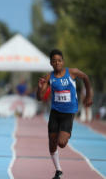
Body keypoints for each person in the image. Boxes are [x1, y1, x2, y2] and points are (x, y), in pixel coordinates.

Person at [36, 49, 93, 179]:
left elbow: (85, 77)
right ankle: (58, 171)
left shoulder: (72, 72)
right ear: (51, 63)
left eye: (59, 61)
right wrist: (39, 89)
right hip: (55, 112)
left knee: (61, 143)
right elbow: (39, 98)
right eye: (54, 61)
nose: (57, 63)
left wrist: (89, 96)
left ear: (63, 61)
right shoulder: (48, 77)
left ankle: (65, 133)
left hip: (68, 112)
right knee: (51, 142)